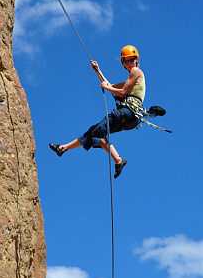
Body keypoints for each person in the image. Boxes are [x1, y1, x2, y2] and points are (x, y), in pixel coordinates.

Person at [49, 45, 146, 179]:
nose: (130, 63)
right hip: (130, 119)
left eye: (131, 60)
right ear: (123, 63)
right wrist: (98, 71)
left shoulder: (136, 71)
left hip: (127, 112)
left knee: (97, 131)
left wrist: (106, 87)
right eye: (126, 61)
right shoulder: (131, 78)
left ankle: (118, 160)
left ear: (137, 60)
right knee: (96, 132)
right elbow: (110, 86)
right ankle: (63, 148)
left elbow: (122, 93)